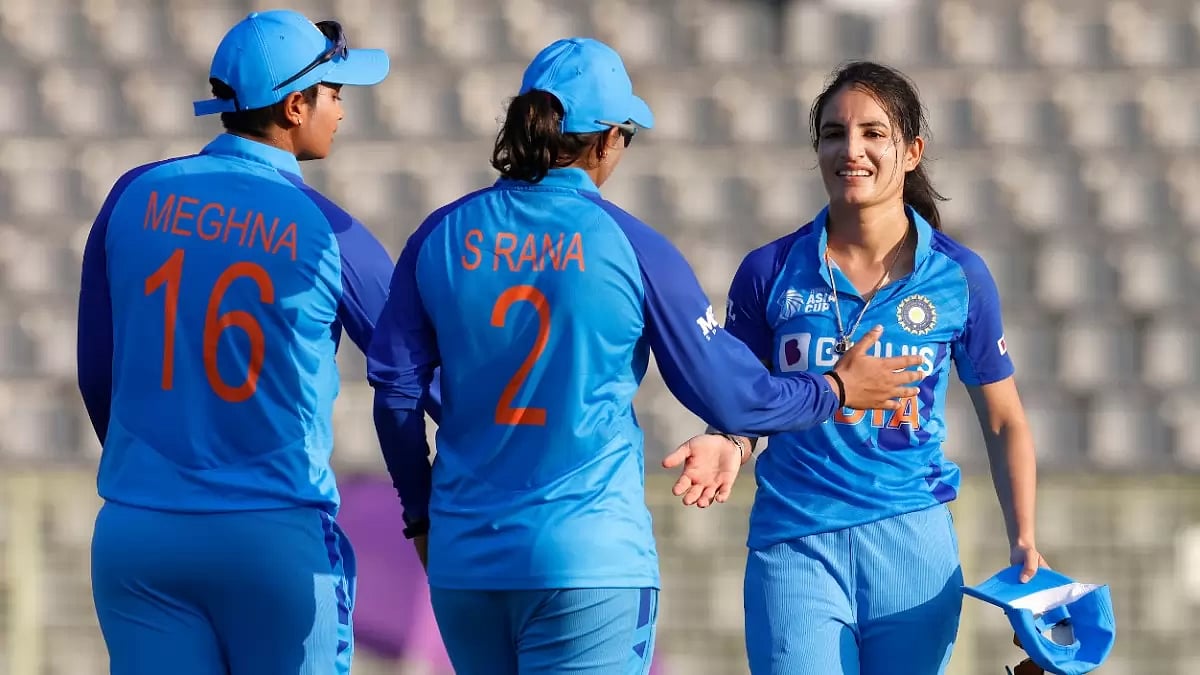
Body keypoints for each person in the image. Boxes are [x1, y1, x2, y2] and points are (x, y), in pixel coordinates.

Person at [365, 38, 925, 675]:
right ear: (605, 141)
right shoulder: (631, 245)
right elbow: (733, 397)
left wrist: (419, 518)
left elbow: (396, 394)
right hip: (588, 561)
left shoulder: (440, 233)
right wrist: (836, 389)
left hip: (465, 562)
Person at [677, 61, 1046, 675]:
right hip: (794, 540)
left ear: (911, 151)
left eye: (874, 133)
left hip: (913, 547)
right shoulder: (768, 270)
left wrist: (1024, 537)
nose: (852, 150)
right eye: (833, 133)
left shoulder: (960, 276)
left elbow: (1004, 420)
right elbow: (743, 403)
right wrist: (728, 441)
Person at [76, 10, 394, 675]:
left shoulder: (131, 195)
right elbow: (421, 370)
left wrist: (164, 476)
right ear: (294, 104)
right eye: (335, 92)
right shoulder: (331, 231)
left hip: (140, 530)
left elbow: (97, 372)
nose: (341, 109)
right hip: (273, 535)